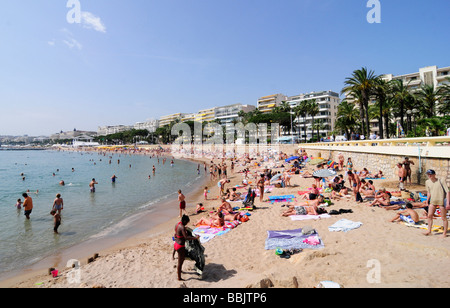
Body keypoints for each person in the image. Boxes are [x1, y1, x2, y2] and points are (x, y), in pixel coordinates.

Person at [173, 215, 199, 281]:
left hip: (176, 243)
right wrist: (195, 238)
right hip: (180, 246)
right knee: (180, 263)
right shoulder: (182, 227)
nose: (187, 223)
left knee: (182, 259)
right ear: (184, 221)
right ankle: (179, 277)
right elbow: (186, 238)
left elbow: (176, 233)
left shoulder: (177, 224)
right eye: (187, 222)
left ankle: (179, 271)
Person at [424, 169, 449, 237]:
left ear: (434, 174)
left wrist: (448, 203)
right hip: (433, 200)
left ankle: (444, 233)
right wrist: (427, 200)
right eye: (428, 174)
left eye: (430, 174)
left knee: (443, 217)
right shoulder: (427, 182)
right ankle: (429, 230)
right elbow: (429, 192)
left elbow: (447, 192)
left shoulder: (441, 180)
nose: (429, 176)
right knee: (429, 215)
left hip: (441, 200)